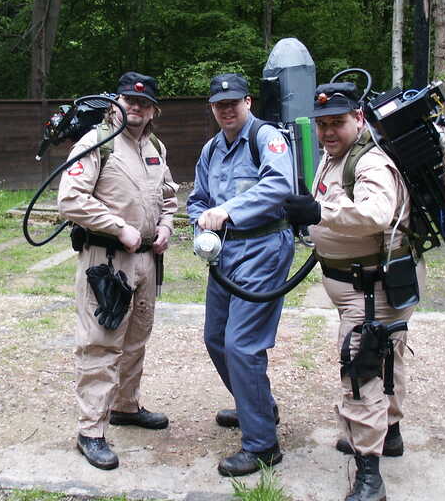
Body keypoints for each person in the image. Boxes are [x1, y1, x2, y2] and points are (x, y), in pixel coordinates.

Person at [283, 83, 431, 501]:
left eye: (338, 122)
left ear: (359, 119)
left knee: (361, 368)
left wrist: (319, 212)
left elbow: (377, 213)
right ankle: (390, 433)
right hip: (359, 286)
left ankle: (369, 475)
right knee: (386, 357)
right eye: (322, 124)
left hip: (373, 288)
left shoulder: (371, 163)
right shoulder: (336, 157)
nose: (328, 131)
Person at [57, 71, 178, 470]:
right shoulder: (97, 143)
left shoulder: (155, 146)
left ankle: (126, 406)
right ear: (116, 103)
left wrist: (165, 227)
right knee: (101, 342)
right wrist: (118, 227)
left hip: (146, 261)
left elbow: (169, 196)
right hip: (106, 261)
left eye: (144, 103)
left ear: (154, 110)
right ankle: (90, 430)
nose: (136, 107)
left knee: (136, 337)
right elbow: (70, 199)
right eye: (130, 100)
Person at [186, 73, 295, 477]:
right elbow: (197, 199)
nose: (227, 109)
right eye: (219, 104)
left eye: (233, 102)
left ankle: (263, 445)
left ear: (248, 102)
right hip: (224, 253)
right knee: (215, 337)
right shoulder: (212, 149)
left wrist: (227, 211)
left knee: (242, 344)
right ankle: (257, 407)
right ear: (212, 108)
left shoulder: (266, 138)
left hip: (263, 248)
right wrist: (200, 227)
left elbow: (280, 185)